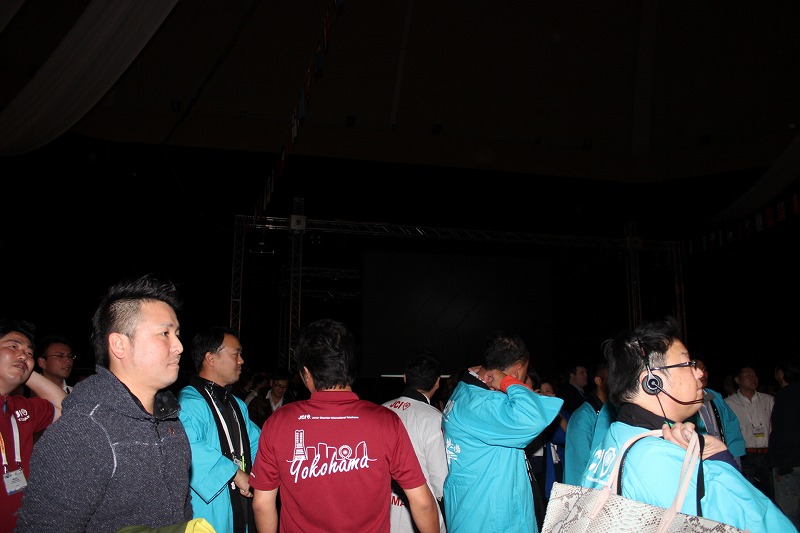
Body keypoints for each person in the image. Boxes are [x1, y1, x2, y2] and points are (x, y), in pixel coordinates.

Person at [16, 274, 194, 533]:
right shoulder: (83, 431)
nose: (178, 346)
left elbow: (182, 510)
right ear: (119, 345)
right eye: (164, 333)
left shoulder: (170, 422)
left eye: (177, 334)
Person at [580, 317, 792, 533]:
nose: (699, 373)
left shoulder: (616, 436)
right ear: (653, 382)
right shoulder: (659, 459)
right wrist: (721, 461)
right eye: (688, 364)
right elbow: (762, 524)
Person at [249, 319, 440, 533]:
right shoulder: (386, 421)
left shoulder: (279, 422)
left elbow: (262, 504)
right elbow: (423, 503)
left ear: (306, 373)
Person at [441, 330, 563, 533]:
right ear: (517, 370)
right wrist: (507, 382)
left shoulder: (465, 392)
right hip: (492, 518)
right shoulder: (482, 404)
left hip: (473, 509)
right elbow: (534, 416)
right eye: (523, 375)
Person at [178, 326, 262, 533]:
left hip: (240, 507)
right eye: (236, 354)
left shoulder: (236, 405)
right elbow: (187, 448)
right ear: (211, 358)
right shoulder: (189, 403)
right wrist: (235, 474)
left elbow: (258, 444)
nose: (241, 361)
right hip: (209, 513)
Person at [0, 319, 66, 533]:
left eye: (29, 352)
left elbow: (63, 406)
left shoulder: (20, 408)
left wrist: (24, 370)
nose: (24, 355)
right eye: (13, 346)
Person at [382, 350, 448, 533]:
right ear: (437, 382)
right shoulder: (434, 419)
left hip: (383, 515)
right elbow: (441, 482)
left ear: (404, 378)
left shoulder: (381, 410)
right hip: (422, 519)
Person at [725, 365, 776, 501]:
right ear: (737, 380)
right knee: (750, 496)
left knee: (770, 496)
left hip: (767, 455)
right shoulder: (729, 403)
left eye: (754, 375)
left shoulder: (768, 400)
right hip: (745, 456)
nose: (753, 378)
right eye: (748, 375)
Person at [563, 360, 619, 485]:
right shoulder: (583, 415)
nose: (615, 381)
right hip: (588, 488)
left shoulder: (615, 410)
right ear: (599, 381)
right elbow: (578, 464)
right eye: (610, 376)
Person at [692, 357, 745, 469]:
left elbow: (731, 428)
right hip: (697, 459)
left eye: (704, 369)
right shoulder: (681, 400)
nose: (703, 373)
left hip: (721, 455)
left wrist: (735, 458)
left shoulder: (715, 397)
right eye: (696, 369)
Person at [770, 357, 800, 528]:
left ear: (781, 373)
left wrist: (782, 466)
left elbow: (784, 431)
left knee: (788, 517)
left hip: (791, 465)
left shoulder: (785, 396)